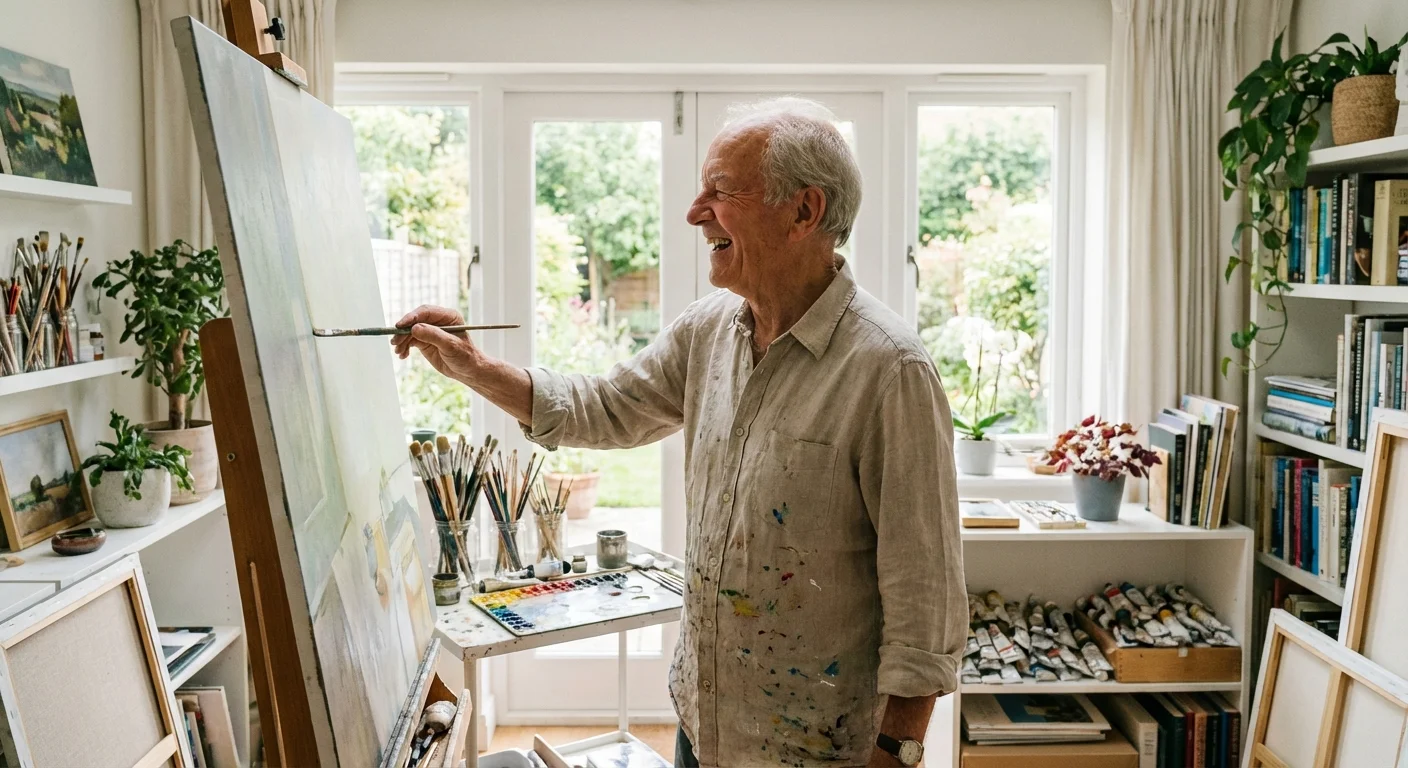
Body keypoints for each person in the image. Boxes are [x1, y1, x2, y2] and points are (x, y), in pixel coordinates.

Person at [394, 97, 966, 768]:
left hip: (817, 749)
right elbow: (605, 406)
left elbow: (924, 598)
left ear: (804, 212)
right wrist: (474, 367)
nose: (695, 213)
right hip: (703, 723)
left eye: (720, 192)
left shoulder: (890, 370)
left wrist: (895, 754)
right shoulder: (709, 330)